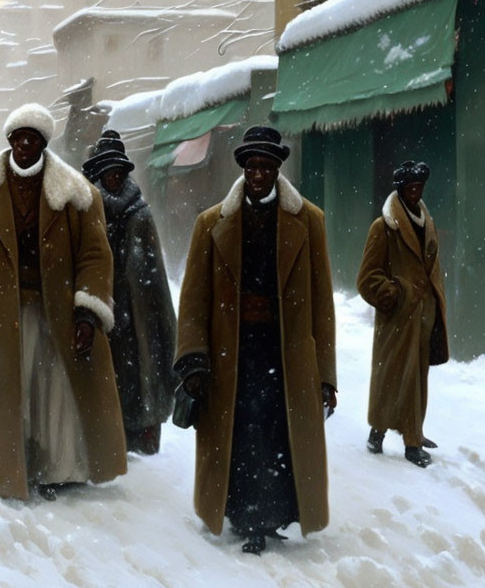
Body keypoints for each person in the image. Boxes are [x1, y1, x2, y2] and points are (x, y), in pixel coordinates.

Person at [0, 103, 127, 501]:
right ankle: (1, 465)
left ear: (44, 143)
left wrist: (87, 312)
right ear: (9, 142)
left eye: (33, 139)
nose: (25, 145)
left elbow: (96, 257)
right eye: (18, 138)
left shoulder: (78, 195)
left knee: (53, 390)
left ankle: (57, 466)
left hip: (54, 311)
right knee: (7, 390)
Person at [174, 126, 337, 555]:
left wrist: (326, 376)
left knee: (280, 433)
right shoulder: (212, 224)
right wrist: (193, 358)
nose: (259, 174)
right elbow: (193, 301)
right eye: (252, 166)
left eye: (266, 166)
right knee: (241, 433)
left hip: (286, 353)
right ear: (243, 169)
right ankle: (247, 516)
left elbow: (323, 306)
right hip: (234, 352)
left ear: (278, 169)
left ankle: (274, 514)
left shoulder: (309, 222)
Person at [82, 131, 177, 455]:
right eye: (107, 171)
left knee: (135, 378)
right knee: (99, 376)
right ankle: (100, 442)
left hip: (137, 314)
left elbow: (156, 279)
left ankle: (134, 438)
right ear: (98, 173)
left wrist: (160, 325)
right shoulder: (84, 210)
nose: (113, 177)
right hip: (97, 307)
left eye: (118, 171)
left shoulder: (140, 215)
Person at [357, 160, 448, 469]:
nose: (415, 192)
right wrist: (395, 294)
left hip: (423, 316)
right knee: (391, 376)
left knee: (417, 378)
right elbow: (367, 278)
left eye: (419, 187)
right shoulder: (384, 226)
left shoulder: (427, 222)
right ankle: (382, 432)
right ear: (400, 189)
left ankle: (413, 433)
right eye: (410, 187)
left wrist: (433, 301)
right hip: (397, 318)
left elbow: (431, 268)